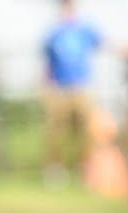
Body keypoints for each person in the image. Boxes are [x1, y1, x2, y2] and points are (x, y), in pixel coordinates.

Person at [42, 0, 102, 184]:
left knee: (85, 130)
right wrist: (46, 86)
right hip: (60, 88)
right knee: (56, 131)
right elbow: (48, 64)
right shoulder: (54, 33)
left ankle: (83, 169)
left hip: (81, 87)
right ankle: (55, 170)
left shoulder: (85, 30)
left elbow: (104, 43)